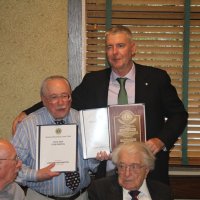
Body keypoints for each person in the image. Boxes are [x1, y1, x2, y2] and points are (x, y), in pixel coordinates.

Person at [12, 25, 188, 184]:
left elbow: (179, 115)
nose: (114, 52)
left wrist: (161, 140)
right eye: (109, 47)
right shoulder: (93, 81)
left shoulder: (156, 78)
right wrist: (27, 112)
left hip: (148, 171)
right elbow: (64, 99)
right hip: (108, 172)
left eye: (120, 46)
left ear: (132, 49)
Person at [12, 75, 99, 200]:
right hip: (42, 197)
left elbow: (92, 166)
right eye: (54, 97)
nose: (61, 102)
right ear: (43, 100)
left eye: (65, 96)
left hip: (81, 196)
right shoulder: (28, 125)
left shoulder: (83, 121)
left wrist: (97, 157)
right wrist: (36, 175)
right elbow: (12, 166)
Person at [88, 142, 173, 200]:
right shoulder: (100, 190)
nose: (127, 174)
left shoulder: (163, 192)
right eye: (122, 166)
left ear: (146, 170)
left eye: (134, 167)